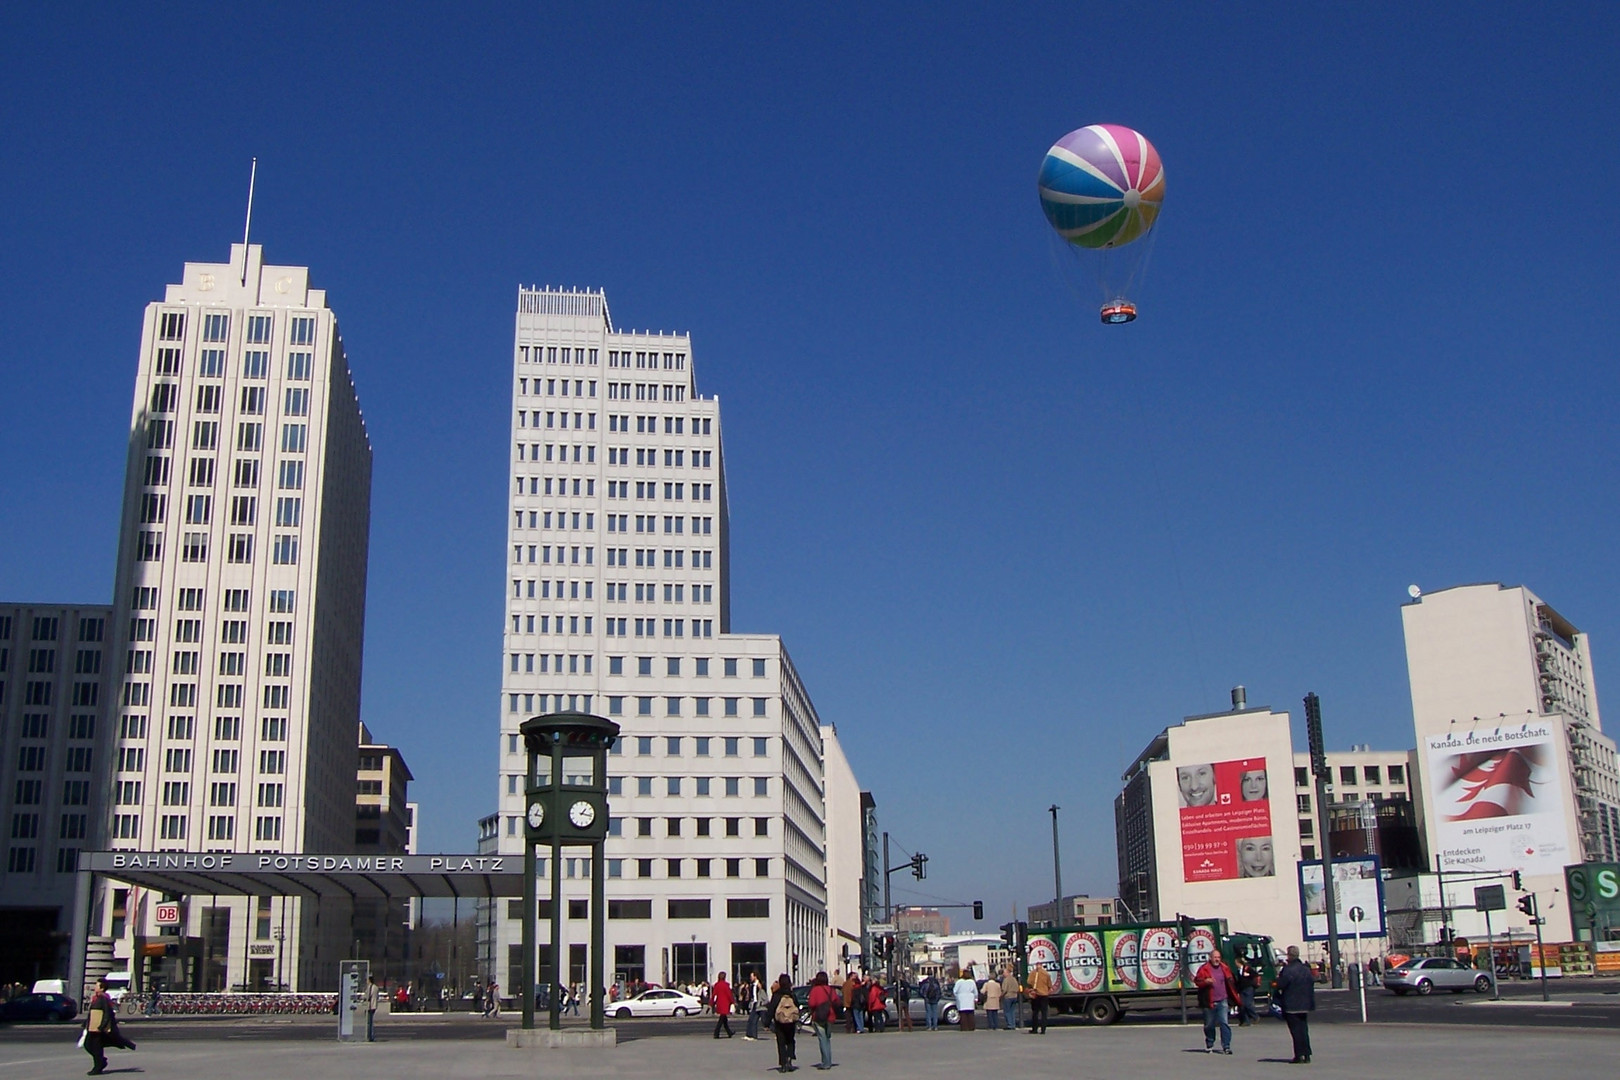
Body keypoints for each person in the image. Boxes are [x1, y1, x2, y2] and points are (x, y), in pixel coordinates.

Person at [83, 977, 134, 1075]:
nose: (95, 987)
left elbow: (107, 1013)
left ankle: (98, 1066)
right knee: (88, 1045)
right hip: (92, 1027)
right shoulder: (96, 998)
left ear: (102, 988)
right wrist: (86, 1023)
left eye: (97, 985)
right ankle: (101, 1061)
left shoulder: (103, 999)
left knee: (96, 1047)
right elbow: (92, 1013)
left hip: (98, 1028)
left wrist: (102, 1026)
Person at [1274, 945, 1316, 1064]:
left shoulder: (1288, 970)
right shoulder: (1305, 969)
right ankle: (1307, 1054)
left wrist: (1277, 982)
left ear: (1289, 956)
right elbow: (1311, 983)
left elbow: (1282, 984)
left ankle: (1299, 1055)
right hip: (1305, 1004)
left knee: (1296, 1031)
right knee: (1303, 1029)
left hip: (1292, 1004)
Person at [1193, 949, 1235, 1054]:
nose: (1217, 959)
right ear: (1210, 958)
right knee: (1209, 1025)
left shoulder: (1224, 968)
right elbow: (1197, 981)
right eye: (1215, 957)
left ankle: (1226, 1046)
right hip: (1209, 1001)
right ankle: (1210, 1043)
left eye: (1218, 957)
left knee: (1224, 1023)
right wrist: (1205, 981)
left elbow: (1231, 981)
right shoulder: (1204, 969)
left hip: (1222, 1000)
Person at [767, 973, 799, 1072]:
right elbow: (797, 1005)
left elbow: (771, 1008)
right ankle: (790, 1057)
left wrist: (767, 1022)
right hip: (790, 1022)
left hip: (780, 1022)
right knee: (790, 1040)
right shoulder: (791, 994)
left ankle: (783, 1063)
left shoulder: (777, 995)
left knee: (781, 1042)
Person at [807, 971, 838, 1070]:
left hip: (819, 1016)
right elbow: (836, 1001)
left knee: (822, 1039)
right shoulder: (831, 990)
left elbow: (812, 1003)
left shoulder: (815, 990)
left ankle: (825, 1062)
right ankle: (828, 1061)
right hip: (830, 1015)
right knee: (827, 1039)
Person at [1024, 961, 1053, 1034]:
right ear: (1042, 966)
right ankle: (1043, 1029)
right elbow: (1049, 985)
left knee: (1035, 1013)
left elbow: (1029, 982)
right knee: (1044, 1013)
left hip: (1035, 995)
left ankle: (1035, 1029)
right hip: (1044, 995)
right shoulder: (1046, 974)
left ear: (1036, 966)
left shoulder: (1032, 973)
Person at [952, 967, 978, 1032]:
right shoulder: (972, 982)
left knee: (963, 1015)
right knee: (970, 1014)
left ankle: (964, 1027)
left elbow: (955, 991)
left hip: (961, 999)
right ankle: (971, 1027)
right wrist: (975, 998)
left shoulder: (959, 982)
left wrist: (957, 997)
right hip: (970, 999)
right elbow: (975, 991)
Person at [1236, 958, 1260, 1026]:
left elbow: (1255, 975)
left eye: (1236, 963)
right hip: (1242, 989)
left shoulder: (1247, 968)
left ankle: (1255, 1016)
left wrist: (1248, 975)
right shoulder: (1239, 971)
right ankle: (1246, 1021)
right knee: (1242, 1006)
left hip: (1248, 988)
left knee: (1248, 1004)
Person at [712, 972, 734, 1038]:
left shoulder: (717, 985)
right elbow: (729, 994)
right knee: (722, 1019)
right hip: (725, 1003)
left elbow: (714, 995)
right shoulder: (726, 985)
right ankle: (716, 1033)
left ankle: (729, 1032)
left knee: (724, 1019)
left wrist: (711, 1003)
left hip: (719, 1003)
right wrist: (732, 1001)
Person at [746, 971, 766, 1040]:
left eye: (751, 976)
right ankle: (750, 1035)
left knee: (764, 1021)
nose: (750, 978)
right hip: (755, 1003)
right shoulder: (752, 985)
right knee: (752, 1020)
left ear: (755, 977)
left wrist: (760, 987)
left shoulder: (759, 984)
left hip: (759, 1004)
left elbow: (762, 994)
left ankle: (776, 1031)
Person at [1000, 965, 1022, 1030]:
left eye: (1004, 972)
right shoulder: (1014, 979)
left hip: (1008, 996)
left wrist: (1001, 996)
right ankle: (1013, 1024)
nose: (1003, 974)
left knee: (1007, 1011)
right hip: (1015, 996)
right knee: (1012, 1011)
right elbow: (1018, 987)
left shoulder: (1006, 980)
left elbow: (1004, 989)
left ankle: (1010, 1025)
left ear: (1007, 973)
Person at [364, 974, 381, 1041]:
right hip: (374, 1005)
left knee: (369, 1022)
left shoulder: (370, 987)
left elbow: (367, 996)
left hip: (370, 1006)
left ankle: (370, 1036)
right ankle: (370, 1036)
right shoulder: (376, 987)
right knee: (370, 1021)